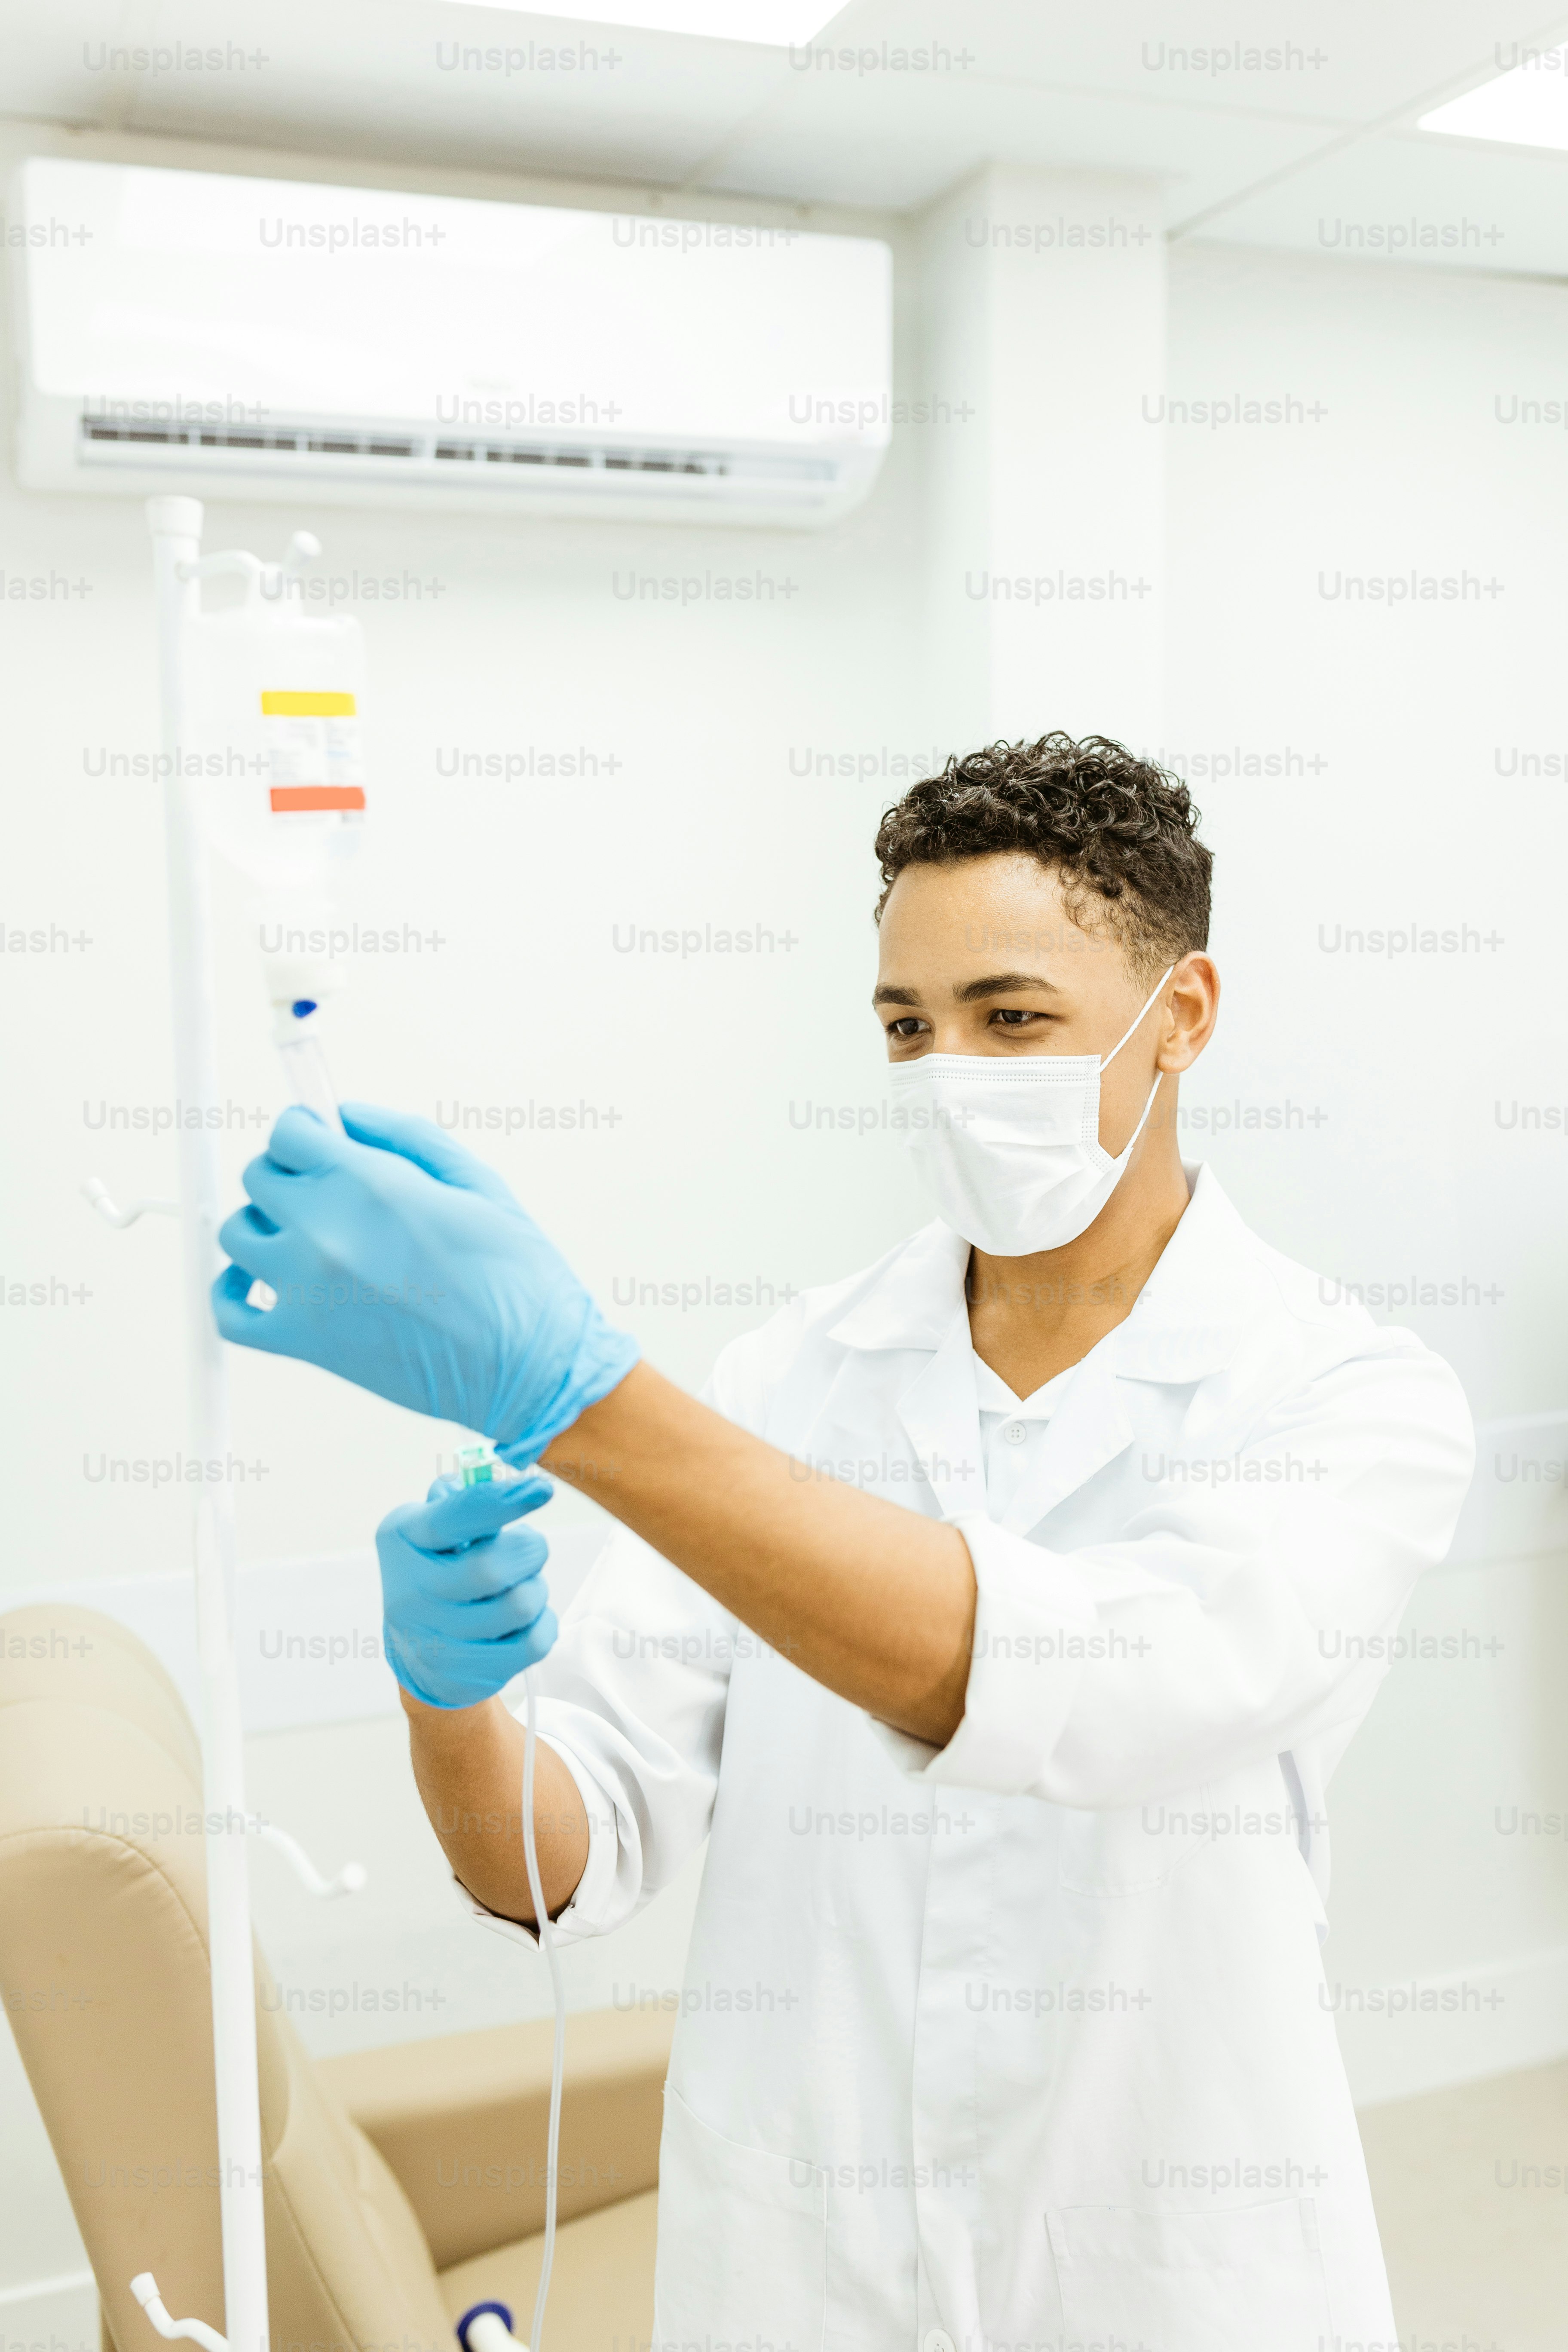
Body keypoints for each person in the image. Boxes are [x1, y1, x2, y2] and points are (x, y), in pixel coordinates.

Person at [215, 732, 1473, 2350]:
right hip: (804, 2278)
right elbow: (557, 1851)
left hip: (1165, 2268)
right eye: (905, 1025)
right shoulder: (791, 1379)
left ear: (1187, 1018)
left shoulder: (1347, 1400)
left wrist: (574, 1394)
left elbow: (1072, 1686)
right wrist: (447, 1699)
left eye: (1011, 1018)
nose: (949, 1068)